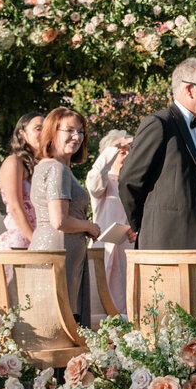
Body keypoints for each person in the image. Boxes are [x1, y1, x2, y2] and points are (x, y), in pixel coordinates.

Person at [118, 59, 196, 249]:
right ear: (189, 89)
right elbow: (129, 180)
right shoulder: (160, 124)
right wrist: (142, 225)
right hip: (169, 243)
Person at [29, 108, 100, 323]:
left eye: (81, 132)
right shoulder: (56, 169)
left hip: (57, 253)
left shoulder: (48, 167)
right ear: (52, 133)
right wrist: (89, 226)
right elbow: (59, 220)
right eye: (69, 130)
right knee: (59, 325)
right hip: (58, 255)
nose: (77, 137)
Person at [85, 129, 136, 312]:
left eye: (130, 152)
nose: (127, 156)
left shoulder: (135, 184)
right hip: (106, 251)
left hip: (129, 251)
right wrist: (113, 147)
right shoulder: (103, 182)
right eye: (122, 152)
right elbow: (94, 179)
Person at [0, 111, 45, 251]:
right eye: (38, 128)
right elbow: (15, 207)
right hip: (19, 240)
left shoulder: (42, 164)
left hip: (42, 237)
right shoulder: (14, 162)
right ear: (22, 134)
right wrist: (37, 243)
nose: (44, 133)